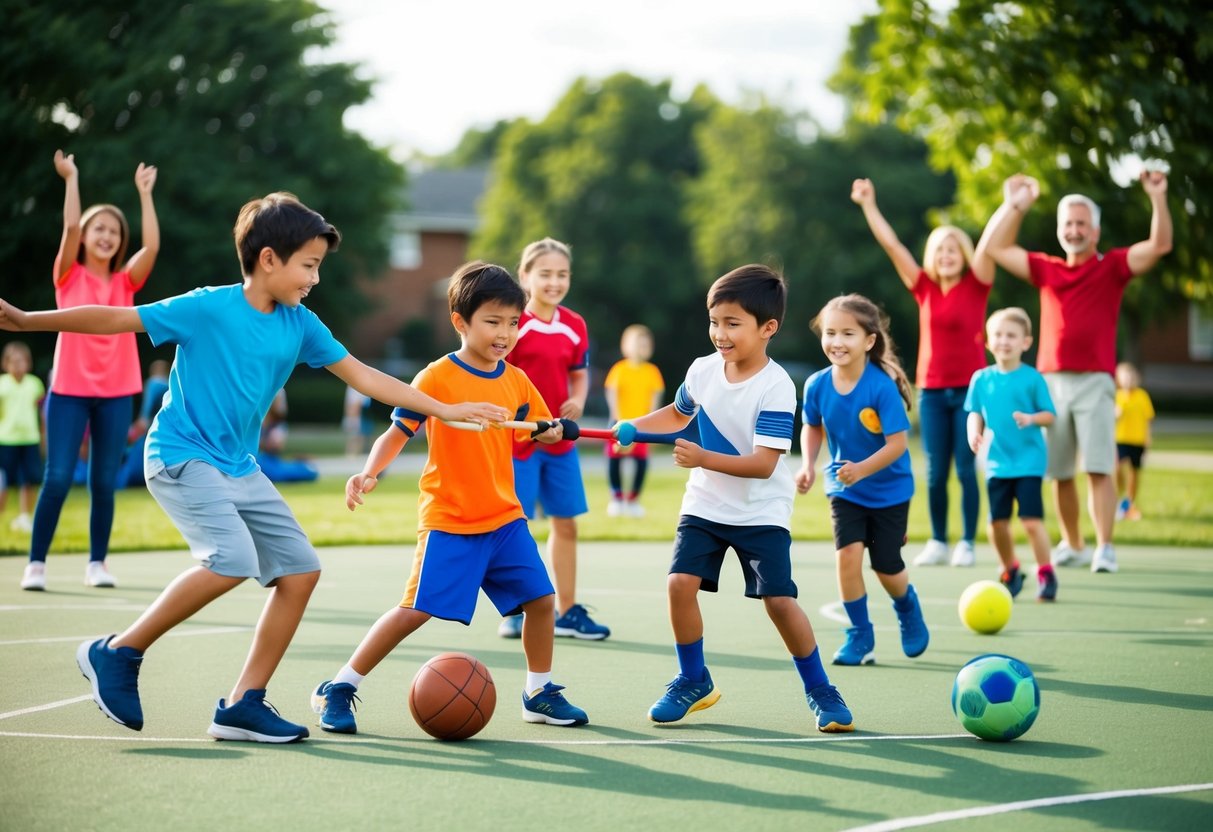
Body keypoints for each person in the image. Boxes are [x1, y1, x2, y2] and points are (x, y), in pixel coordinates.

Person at [0, 192, 508, 742]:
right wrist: (29, 321)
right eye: (309, 265)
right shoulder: (207, 307)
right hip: (180, 454)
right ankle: (118, 652)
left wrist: (444, 409)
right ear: (269, 259)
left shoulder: (300, 323)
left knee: (299, 571)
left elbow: (365, 377)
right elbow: (115, 318)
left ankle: (243, 702)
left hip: (238, 467)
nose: (314, 278)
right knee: (232, 558)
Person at [311, 261, 589, 734]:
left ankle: (538, 692)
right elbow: (397, 432)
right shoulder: (436, 377)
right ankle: (339, 686)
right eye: (493, 321)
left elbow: (536, 432)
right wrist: (368, 471)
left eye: (513, 323)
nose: (505, 333)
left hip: (504, 519)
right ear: (460, 321)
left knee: (542, 602)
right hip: (451, 520)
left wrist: (553, 431)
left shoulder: (516, 381)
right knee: (414, 611)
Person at [619, 265, 854, 733]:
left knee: (779, 602)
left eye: (732, 324)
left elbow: (764, 463)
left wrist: (703, 456)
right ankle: (693, 679)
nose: (719, 334)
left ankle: (821, 690)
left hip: (760, 511)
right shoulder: (703, 371)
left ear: (768, 329)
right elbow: (676, 412)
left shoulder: (777, 386)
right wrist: (634, 428)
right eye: (714, 321)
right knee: (678, 585)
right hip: (705, 505)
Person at [984, 170, 1172, 574]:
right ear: (1059, 231)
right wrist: (1014, 203)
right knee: (1059, 471)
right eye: (1068, 223)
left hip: (1095, 381)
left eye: (1081, 223)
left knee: (1099, 467)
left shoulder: (1114, 266)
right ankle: (1073, 543)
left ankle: (1105, 547)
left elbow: (1160, 244)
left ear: (1096, 230)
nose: (1074, 229)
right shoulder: (1047, 268)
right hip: (1050, 383)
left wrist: (1157, 197)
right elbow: (995, 246)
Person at [22, 151, 159, 591]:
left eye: (115, 231)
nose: (106, 235)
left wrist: (144, 195)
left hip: (118, 391)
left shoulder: (125, 282)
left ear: (121, 242)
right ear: (85, 236)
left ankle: (97, 563)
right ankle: (36, 564)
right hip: (69, 388)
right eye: (98, 227)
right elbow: (68, 226)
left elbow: (152, 247)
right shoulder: (67, 276)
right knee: (58, 476)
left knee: (104, 480)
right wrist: (71, 178)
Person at [851, 178, 998, 568]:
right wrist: (869, 203)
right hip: (932, 390)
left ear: (964, 254)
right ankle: (938, 540)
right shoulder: (923, 287)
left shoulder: (977, 283)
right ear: (931, 256)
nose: (947, 255)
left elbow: (990, 243)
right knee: (934, 472)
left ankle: (966, 541)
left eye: (953, 249)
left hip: (971, 391)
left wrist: (1012, 205)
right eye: (940, 249)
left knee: (966, 468)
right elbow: (892, 245)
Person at [796, 293, 929, 667]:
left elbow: (897, 446)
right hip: (844, 487)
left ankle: (906, 606)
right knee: (848, 556)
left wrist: (862, 469)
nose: (837, 341)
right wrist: (808, 465)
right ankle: (859, 635)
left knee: (886, 566)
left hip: (890, 490)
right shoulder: (817, 385)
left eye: (848, 333)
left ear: (869, 341)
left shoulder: (881, 387)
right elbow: (812, 427)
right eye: (830, 333)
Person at [498, 238, 608, 641]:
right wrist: (527, 422)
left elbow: (579, 372)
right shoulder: (513, 324)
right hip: (520, 442)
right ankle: (516, 610)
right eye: (545, 274)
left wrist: (576, 400)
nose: (554, 281)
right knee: (516, 527)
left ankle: (567, 610)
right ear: (525, 276)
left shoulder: (575, 324)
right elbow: (500, 377)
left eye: (562, 274)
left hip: (560, 443)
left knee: (567, 525)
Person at [964, 308, 1058, 601]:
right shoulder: (981, 378)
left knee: (1030, 521)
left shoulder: (1032, 379)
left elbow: (1050, 416)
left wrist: (1031, 419)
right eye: (998, 335)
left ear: (1026, 342)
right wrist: (973, 433)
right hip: (997, 462)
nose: (1004, 341)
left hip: (1029, 460)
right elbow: (974, 413)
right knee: (996, 523)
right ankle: (1010, 569)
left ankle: (1046, 572)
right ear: (988, 342)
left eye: (1011, 335)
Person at [603, 324, 664, 517]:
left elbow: (656, 397)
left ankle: (633, 500)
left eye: (645, 344)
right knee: (614, 462)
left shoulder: (652, 371)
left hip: (642, 427)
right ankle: (617, 498)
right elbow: (612, 393)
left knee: (641, 463)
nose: (641, 348)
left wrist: (652, 423)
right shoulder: (619, 369)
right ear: (626, 346)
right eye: (637, 344)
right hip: (619, 423)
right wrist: (616, 418)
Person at [0, 341, 45, 533]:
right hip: (6, 440)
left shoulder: (35, 384)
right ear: (6, 364)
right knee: (3, 481)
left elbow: (41, 412)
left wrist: (43, 436)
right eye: (14, 361)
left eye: (22, 361)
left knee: (30, 480)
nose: (18, 365)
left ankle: (25, 516)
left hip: (30, 439)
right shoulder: (2, 384)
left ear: (28, 363)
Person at [1114, 361, 1154, 521]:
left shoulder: (1142, 396)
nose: (1128, 380)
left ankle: (1129, 503)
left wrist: (1148, 441)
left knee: (1134, 473)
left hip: (1137, 440)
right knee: (1118, 468)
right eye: (1125, 377)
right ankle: (1120, 496)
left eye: (1131, 377)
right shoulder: (1116, 396)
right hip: (1120, 439)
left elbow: (1148, 420)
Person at [342, 384, 373, 456]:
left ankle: (354, 453)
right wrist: (353, 418)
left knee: (359, 436)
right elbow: (355, 404)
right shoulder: (355, 387)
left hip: (361, 414)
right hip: (357, 416)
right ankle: (352, 454)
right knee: (356, 437)